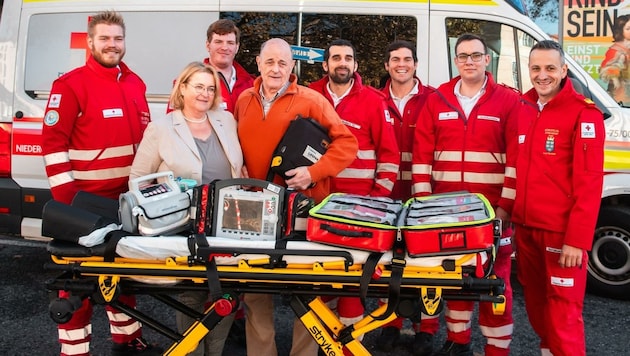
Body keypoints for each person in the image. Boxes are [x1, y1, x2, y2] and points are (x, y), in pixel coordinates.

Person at [41, 11, 159, 356]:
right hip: (84, 204)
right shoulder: (70, 85)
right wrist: (68, 204)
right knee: (77, 282)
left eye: (118, 38)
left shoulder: (134, 82)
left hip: (125, 202)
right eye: (105, 38)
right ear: (90, 42)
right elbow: (52, 146)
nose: (112, 45)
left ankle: (127, 341)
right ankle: (75, 350)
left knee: (121, 274)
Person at [234, 38, 358, 356]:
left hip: (302, 210)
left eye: (283, 63)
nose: (276, 68)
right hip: (252, 212)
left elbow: (347, 144)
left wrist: (313, 173)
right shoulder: (243, 100)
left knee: (306, 293)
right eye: (270, 62)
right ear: (258, 64)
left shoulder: (311, 100)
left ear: (292, 67)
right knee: (254, 294)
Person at [411, 33, 519, 356]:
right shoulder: (437, 99)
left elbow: (515, 163)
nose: (469, 61)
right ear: (455, 61)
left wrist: (503, 211)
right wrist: (425, 208)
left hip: (492, 216)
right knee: (455, 277)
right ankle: (458, 342)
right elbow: (421, 158)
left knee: (497, 285)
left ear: (488, 60)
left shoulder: (507, 101)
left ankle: (496, 349)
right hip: (445, 213)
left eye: (476, 55)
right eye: (462, 56)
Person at [129, 62, 243, 356]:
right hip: (185, 225)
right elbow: (138, 179)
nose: (205, 94)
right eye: (198, 87)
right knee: (192, 294)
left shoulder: (226, 121)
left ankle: (214, 352)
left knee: (227, 293)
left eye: (210, 88)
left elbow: (237, 167)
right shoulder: (163, 127)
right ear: (182, 88)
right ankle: (191, 352)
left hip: (226, 222)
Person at [513, 40, 605, 356]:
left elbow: (590, 183)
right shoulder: (524, 108)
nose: (542, 75)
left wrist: (577, 240)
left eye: (550, 68)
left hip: (561, 236)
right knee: (538, 312)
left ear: (564, 70)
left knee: (564, 315)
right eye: (536, 68)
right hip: (526, 231)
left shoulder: (583, 114)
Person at [308, 39, 399, 334]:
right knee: (318, 278)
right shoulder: (309, 95)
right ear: (326, 65)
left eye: (348, 57)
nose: (342, 62)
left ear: (356, 65)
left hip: (358, 208)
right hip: (316, 205)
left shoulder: (373, 101)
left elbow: (389, 156)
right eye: (336, 58)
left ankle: (347, 342)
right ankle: (322, 342)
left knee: (351, 282)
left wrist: (376, 200)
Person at [376, 40, 437, 356]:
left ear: (416, 64)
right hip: (385, 193)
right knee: (386, 264)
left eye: (407, 59)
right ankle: (390, 324)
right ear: (386, 66)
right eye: (395, 59)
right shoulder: (375, 99)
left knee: (427, 264)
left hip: (421, 194)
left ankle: (426, 329)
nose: (402, 64)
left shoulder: (433, 99)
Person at [202, 18, 255, 113]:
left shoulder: (252, 85)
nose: (225, 47)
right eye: (219, 42)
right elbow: (175, 122)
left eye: (230, 43)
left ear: (237, 47)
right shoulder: (190, 82)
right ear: (208, 45)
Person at [599, 14, 630, 104]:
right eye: (628, 29)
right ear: (620, 31)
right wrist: (618, 67)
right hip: (620, 99)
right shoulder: (616, 50)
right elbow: (606, 72)